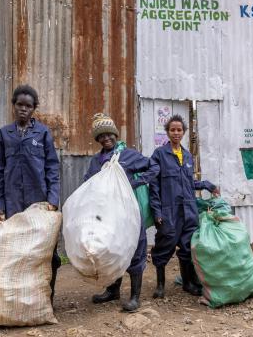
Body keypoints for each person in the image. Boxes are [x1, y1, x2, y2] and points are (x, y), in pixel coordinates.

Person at [0, 84, 61, 301]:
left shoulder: (43, 133)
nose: (23, 109)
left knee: (47, 253)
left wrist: (53, 199)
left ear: (34, 109)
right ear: (13, 106)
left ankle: (46, 297)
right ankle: (19, 299)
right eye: (19, 104)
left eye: (28, 106)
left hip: (38, 203)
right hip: (13, 204)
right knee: (16, 252)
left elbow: (52, 168)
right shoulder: (5, 134)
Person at [84, 113, 159, 312]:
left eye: (109, 134)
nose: (106, 138)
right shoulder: (96, 161)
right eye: (101, 136)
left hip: (129, 213)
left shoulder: (128, 155)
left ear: (115, 134)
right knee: (111, 250)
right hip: (108, 214)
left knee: (135, 249)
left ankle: (134, 297)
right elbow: (88, 184)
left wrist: (137, 181)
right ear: (97, 139)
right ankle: (113, 290)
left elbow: (154, 166)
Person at [149, 114, 220, 298]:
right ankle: (160, 286)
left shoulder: (188, 155)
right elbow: (154, 186)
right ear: (167, 132)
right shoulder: (159, 155)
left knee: (188, 248)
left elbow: (189, 183)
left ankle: (188, 283)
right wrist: (157, 211)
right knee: (164, 247)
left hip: (188, 210)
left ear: (184, 132)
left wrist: (207, 185)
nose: (176, 133)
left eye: (179, 130)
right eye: (172, 130)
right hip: (169, 211)